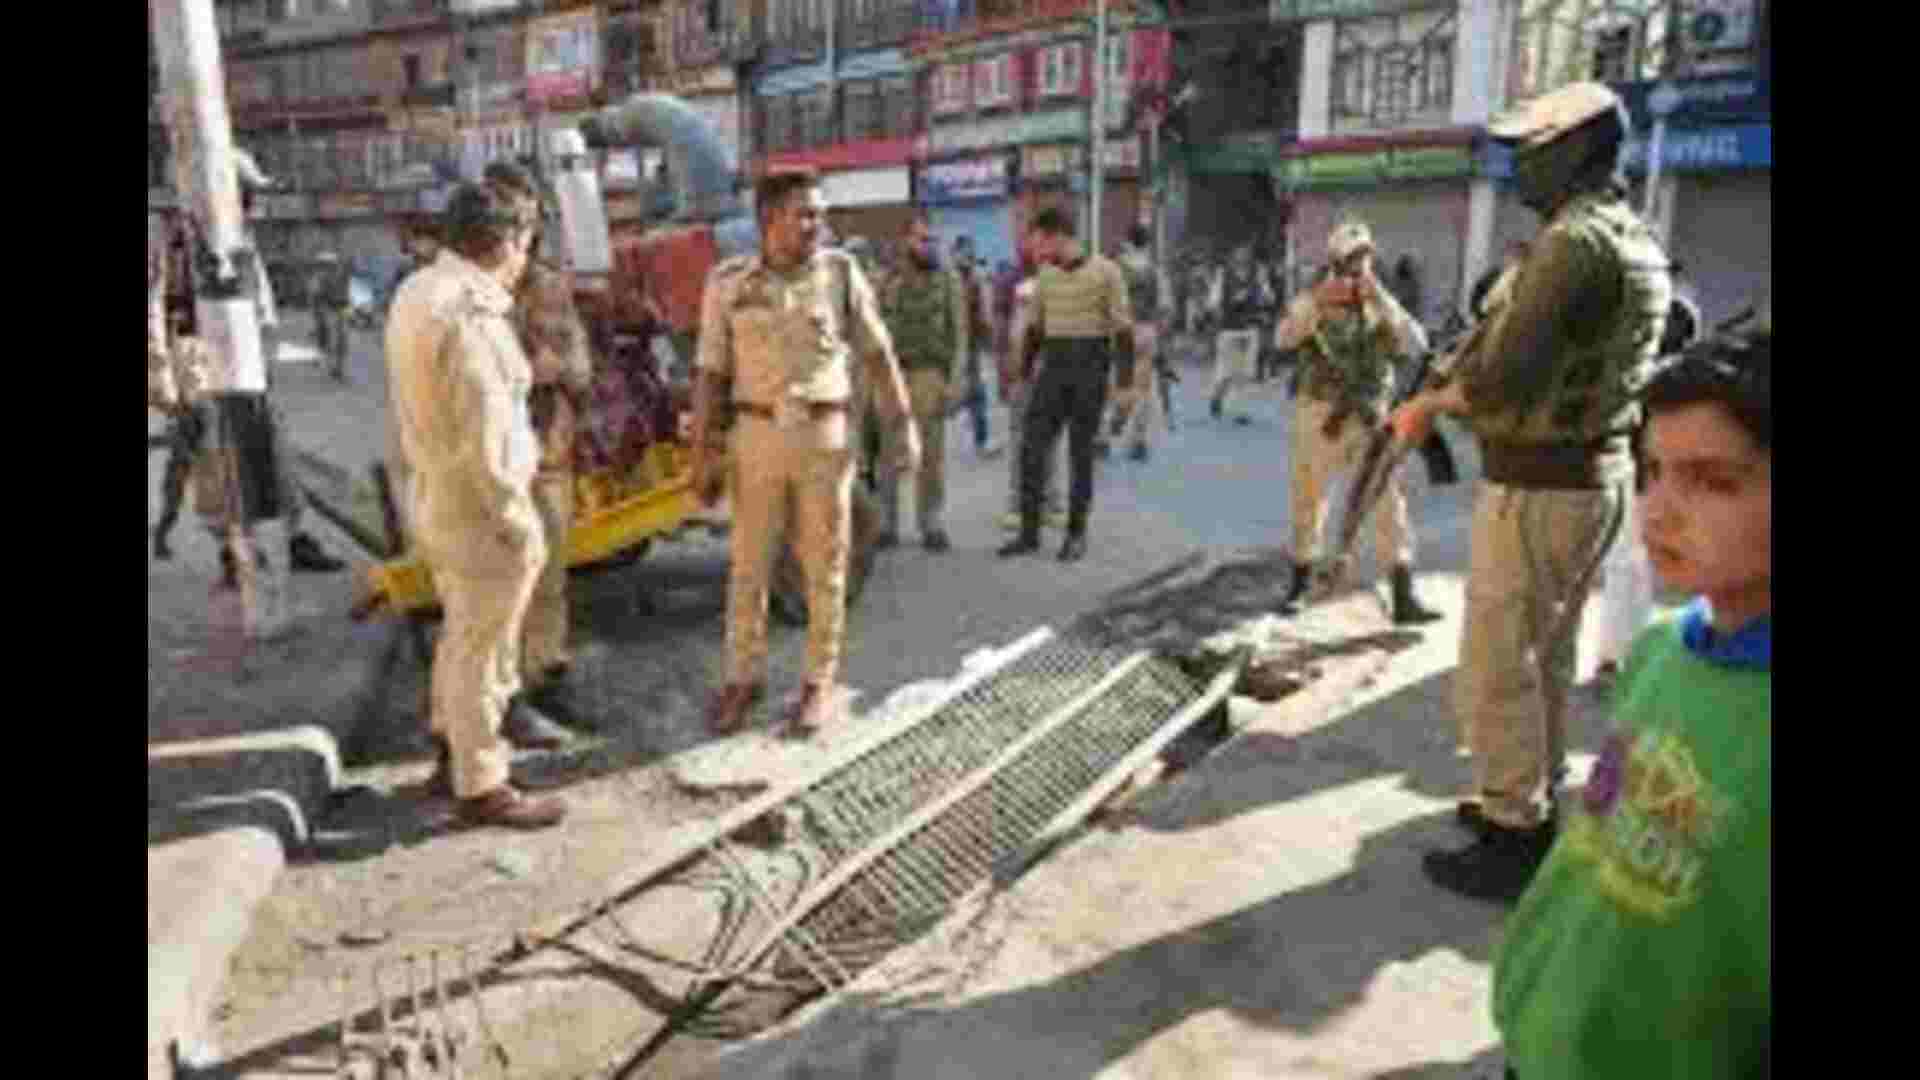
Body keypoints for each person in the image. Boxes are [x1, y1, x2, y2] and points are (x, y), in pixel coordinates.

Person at [1388, 82, 1673, 900]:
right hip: (1587, 477)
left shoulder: (1572, 244)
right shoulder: (1627, 236)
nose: (1516, 169)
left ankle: (1515, 830)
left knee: (1501, 662)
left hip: (1541, 487)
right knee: (1542, 659)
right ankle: (1528, 802)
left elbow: (1503, 376)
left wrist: (1428, 405)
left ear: (1573, 150)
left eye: (1531, 151)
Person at [1490, 324, 1770, 1079]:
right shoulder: (1661, 648)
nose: (1659, 511)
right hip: (1544, 1034)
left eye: (1713, 481)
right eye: (1651, 471)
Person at [693, 168, 920, 738]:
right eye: (805, 213)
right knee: (748, 567)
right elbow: (711, 375)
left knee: (827, 565)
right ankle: (742, 679)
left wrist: (904, 427)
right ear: (769, 220)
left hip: (825, 436)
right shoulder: (727, 282)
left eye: (820, 212)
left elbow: (878, 355)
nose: (818, 224)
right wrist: (704, 451)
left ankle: (818, 682)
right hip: (755, 435)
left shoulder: (841, 274)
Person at [384, 182, 566, 829]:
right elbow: (489, 441)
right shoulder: (473, 314)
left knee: (462, 639)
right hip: (482, 508)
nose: (526, 259)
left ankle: (450, 750)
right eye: (525, 243)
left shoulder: (417, 292)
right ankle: (483, 781)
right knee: (485, 651)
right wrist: (518, 523)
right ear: (509, 242)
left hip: (437, 494)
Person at [149, 153, 347, 580]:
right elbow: (162, 313)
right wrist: (166, 378)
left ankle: (289, 540)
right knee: (218, 464)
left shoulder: (237, 239)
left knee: (272, 455)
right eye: (248, 193)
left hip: (250, 369)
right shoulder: (181, 243)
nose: (255, 202)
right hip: (208, 371)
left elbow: (258, 307)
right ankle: (233, 552)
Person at [1273, 222, 1441, 624]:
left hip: (1370, 418)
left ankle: (1402, 594)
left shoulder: (1381, 302)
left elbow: (1417, 345)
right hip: (1321, 413)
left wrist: (1381, 298)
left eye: (1365, 257)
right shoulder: (1315, 298)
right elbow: (1283, 339)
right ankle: (1300, 583)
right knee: (1308, 498)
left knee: (1387, 504)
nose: (1359, 267)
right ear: (1334, 261)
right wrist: (1316, 302)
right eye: (1351, 259)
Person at [482, 161, 596, 744]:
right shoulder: (469, 289)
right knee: (501, 582)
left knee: (548, 575)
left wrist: (560, 374)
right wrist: (535, 370)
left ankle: (546, 679)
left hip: (547, 451)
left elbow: (577, 364)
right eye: (507, 209)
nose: (520, 223)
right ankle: (503, 699)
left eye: (526, 210)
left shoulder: (548, 285)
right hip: (491, 458)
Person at [998, 205, 1132, 563]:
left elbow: (1123, 333)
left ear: (1057, 236)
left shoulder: (1107, 273)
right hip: (1053, 369)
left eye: (1039, 241)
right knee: (1031, 448)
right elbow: (1035, 332)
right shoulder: (1045, 277)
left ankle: (1075, 534)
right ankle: (1028, 534)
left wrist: (1124, 387)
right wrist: (1022, 378)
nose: (1035, 250)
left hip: (1090, 369)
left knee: (1080, 455)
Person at [1593, 288, 1702, 694]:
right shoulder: (1688, 379)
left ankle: (1615, 659)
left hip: (1639, 482)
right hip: (1668, 485)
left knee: (1627, 568)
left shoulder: (1640, 376)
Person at [872, 215, 970, 552]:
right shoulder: (886, 281)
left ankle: (931, 521)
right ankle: (886, 523)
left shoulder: (948, 280)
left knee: (930, 454)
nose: (927, 246)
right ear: (904, 242)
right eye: (920, 239)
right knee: (887, 455)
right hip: (892, 376)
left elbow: (960, 335)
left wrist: (956, 381)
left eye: (931, 239)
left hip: (930, 374)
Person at [997, 232, 1066, 531]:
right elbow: (1001, 329)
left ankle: (1051, 502)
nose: (1036, 248)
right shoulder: (1010, 280)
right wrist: (1003, 371)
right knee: (1021, 439)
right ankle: (1018, 504)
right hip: (1021, 373)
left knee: (1051, 439)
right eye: (1029, 243)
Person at [1112, 224, 1168, 460]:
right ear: (1147, 243)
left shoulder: (1116, 269)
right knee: (1144, 389)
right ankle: (1138, 440)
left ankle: (1118, 416)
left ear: (1127, 241)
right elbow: (1165, 306)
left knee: (1121, 381)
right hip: (1147, 330)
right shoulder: (1155, 270)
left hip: (1123, 330)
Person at [1207, 244, 1274, 423]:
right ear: (1233, 257)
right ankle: (1217, 396)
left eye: (1245, 255)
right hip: (1228, 328)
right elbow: (1213, 301)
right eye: (1239, 254)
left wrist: (1263, 301)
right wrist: (1216, 311)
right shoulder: (1223, 274)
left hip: (1250, 327)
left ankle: (1240, 411)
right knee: (1225, 372)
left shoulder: (1258, 274)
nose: (1242, 258)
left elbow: (1269, 296)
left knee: (1246, 372)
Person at [950, 236, 998, 459]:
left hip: (969, 345)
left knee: (976, 391)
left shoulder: (976, 278)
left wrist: (988, 338)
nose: (967, 256)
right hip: (952, 346)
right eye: (963, 252)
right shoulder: (949, 278)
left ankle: (981, 438)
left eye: (970, 252)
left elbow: (984, 314)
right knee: (962, 392)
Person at [311, 251, 352, 382]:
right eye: (326, 264)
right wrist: (319, 313)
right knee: (331, 339)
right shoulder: (319, 278)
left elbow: (346, 294)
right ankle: (333, 367)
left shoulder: (341, 276)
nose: (329, 267)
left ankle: (338, 368)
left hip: (341, 308)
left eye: (331, 264)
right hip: (329, 308)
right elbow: (316, 297)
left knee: (342, 339)